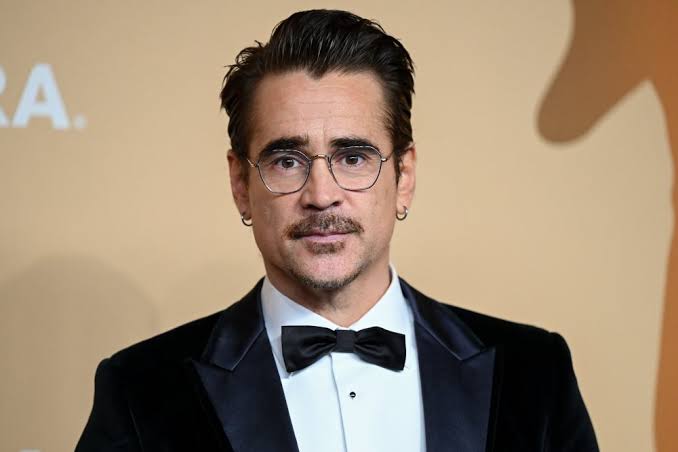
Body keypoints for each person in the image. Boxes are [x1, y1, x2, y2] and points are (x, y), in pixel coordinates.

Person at [76, 9, 599, 452]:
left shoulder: (534, 373)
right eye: (287, 160)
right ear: (241, 184)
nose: (321, 194)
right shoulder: (141, 390)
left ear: (404, 177)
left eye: (353, 157)